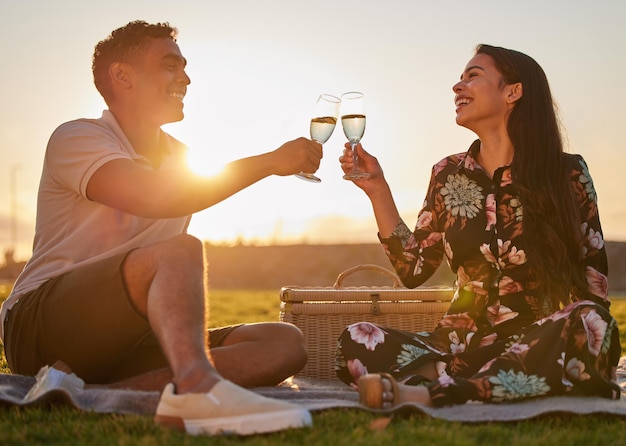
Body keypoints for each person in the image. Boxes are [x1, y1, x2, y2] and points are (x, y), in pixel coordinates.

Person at [0, 20, 321, 436]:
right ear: (122, 75)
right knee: (181, 250)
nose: (185, 78)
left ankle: (90, 393)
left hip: (127, 335)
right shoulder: (77, 137)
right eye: (170, 65)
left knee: (284, 342)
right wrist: (270, 162)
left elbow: (181, 194)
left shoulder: (182, 157)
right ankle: (197, 390)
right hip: (41, 325)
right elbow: (155, 196)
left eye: (184, 67)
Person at [335, 44, 621, 409]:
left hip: (538, 338)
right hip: (457, 343)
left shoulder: (568, 172)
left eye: (473, 76)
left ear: (513, 92)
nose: (458, 86)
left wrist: (596, 342)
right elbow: (413, 267)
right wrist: (378, 189)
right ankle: (498, 382)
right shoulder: (446, 173)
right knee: (357, 338)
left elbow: (592, 276)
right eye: (460, 77)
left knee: (589, 320)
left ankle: (440, 389)